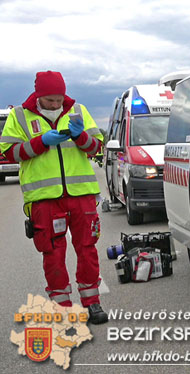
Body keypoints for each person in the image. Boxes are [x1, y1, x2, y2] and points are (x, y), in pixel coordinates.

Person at [0, 71, 108, 324]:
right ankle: (63, 308)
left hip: (81, 196)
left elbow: (97, 147)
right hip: (44, 199)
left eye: (59, 98)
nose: (57, 104)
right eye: (50, 100)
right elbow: (9, 154)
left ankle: (92, 303)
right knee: (53, 254)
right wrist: (41, 142)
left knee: (87, 249)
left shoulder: (77, 111)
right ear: (38, 96)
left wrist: (81, 136)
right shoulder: (19, 115)